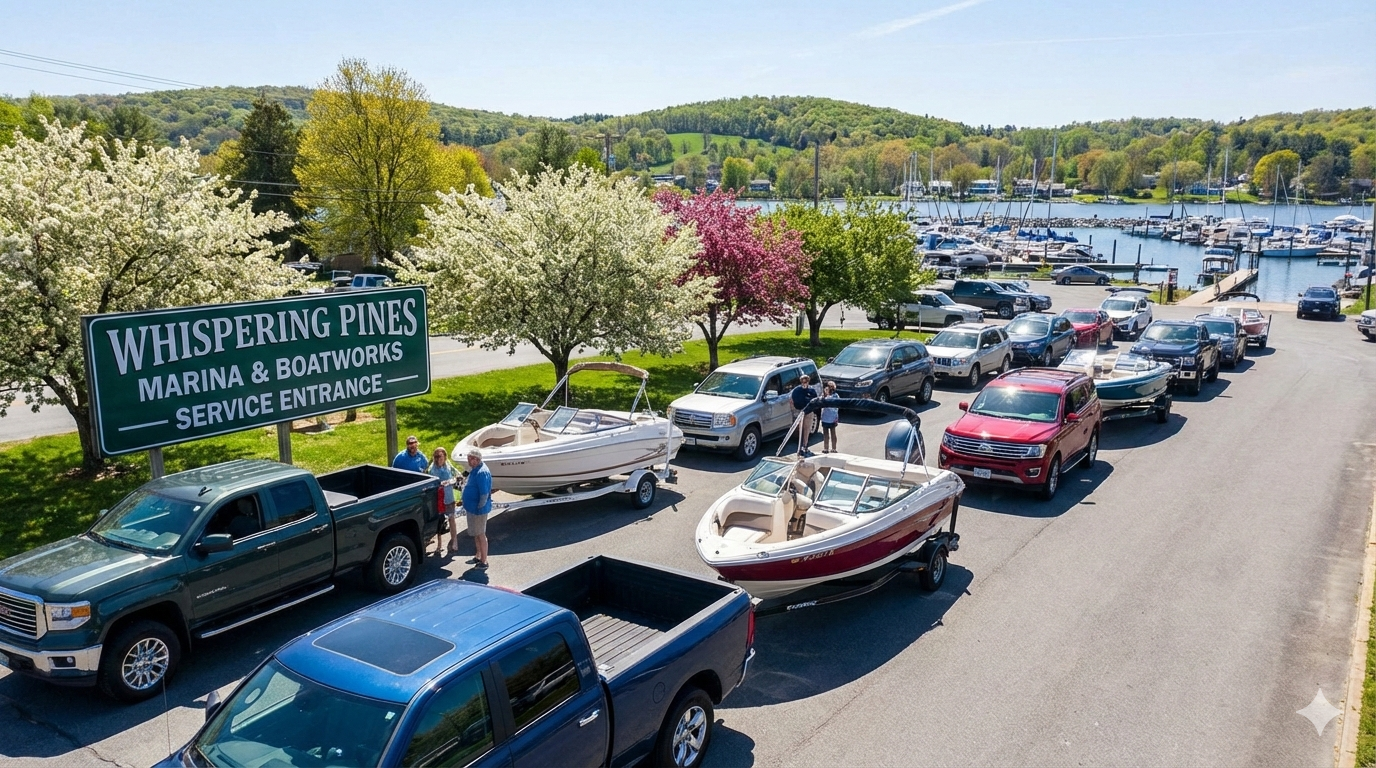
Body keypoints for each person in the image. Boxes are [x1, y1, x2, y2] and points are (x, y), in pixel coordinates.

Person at [461, 448, 493, 569]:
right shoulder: (474, 470)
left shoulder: (482, 472)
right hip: (472, 508)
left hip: (479, 510)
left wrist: (480, 507)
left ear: (478, 459)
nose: (469, 461)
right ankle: (478, 555)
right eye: (468, 458)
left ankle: (484, 561)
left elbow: (484, 493)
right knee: (475, 533)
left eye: (472, 459)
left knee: (480, 534)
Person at [428, 447, 460, 554]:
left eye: (440, 456)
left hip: (449, 497)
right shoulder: (433, 469)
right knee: (439, 521)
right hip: (439, 499)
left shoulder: (448, 465)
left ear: (445, 456)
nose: (438, 459)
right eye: (436, 456)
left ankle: (455, 541)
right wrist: (441, 483)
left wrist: (452, 481)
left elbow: (457, 475)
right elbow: (432, 483)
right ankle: (439, 544)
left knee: (451, 518)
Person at [790, 374, 818, 457]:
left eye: (806, 381)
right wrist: (794, 411)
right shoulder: (797, 390)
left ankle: (805, 446)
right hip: (799, 412)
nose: (804, 383)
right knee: (799, 430)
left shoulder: (812, 391)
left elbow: (815, 401)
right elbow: (791, 401)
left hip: (809, 412)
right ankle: (799, 448)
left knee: (807, 429)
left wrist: (813, 409)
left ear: (808, 381)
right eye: (803, 381)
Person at [819, 381, 840, 453]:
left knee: (833, 433)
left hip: (832, 417)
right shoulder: (823, 396)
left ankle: (834, 448)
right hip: (825, 417)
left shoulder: (835, 396)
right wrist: (824, 396)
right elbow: (821, 403)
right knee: (825, 433)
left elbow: (835, 407)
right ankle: (826, 448)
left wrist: (828, 398)